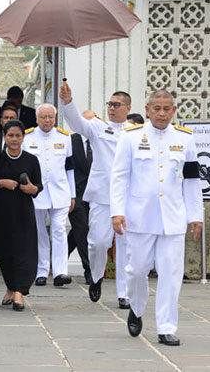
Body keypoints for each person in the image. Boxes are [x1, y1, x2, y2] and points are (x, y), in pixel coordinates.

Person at [111, 89, 203, 346]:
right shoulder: (130, 137)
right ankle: (137, 308)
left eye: (166, 109)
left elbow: (192, 180)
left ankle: (166, 326)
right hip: (139, 217)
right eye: (156, 109)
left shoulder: (185, 138)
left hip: (173, 218)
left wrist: (196, 214)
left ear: (173, 111)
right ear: (148, 109)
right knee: (136, 270)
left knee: (171, 274)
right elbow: (119, 177)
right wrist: (117, 211)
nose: (161, 114)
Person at [59, 83, 133, 309]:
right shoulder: (99, 128)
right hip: (103, 195)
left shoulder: (137, 133)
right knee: (98, 243)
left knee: (127, 247)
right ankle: (97, 276)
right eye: (110, 104)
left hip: (130, 197)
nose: (112, 108)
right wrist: (68, 102)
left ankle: (125, 294)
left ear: (127, 108)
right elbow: (76, 123)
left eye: (117, 105)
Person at [0, 120, 42, 311]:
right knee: (5, 253)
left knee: (24, 252)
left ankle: (19, 292)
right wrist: (1, 182)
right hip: (1, 213)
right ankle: (10, 287)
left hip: (23, 213)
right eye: (11, 135)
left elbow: (38, 186)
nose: (14, 139)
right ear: (4, 137)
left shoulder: (31, 160)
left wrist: (32, 188)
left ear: (23, 137)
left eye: (18, 135)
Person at [23, 104, 75, 287]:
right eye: (43, 117)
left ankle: (61, 272)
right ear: (37, 119)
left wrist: (73, 195)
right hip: (37, 193)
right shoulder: (27, 137)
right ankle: (42, 271)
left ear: (55, 118)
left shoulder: (64, 137)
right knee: (39, 232)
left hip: (60, 192)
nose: (47, 121)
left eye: (50, 117)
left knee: (59, 230)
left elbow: (70, 169)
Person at [67, 132, 93, 285]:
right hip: (75, 194)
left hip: (95, 193)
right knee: (82, 229)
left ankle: (57, 259)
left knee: (77, 230)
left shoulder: (100, 139)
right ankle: (89, 269)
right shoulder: (71, 140)